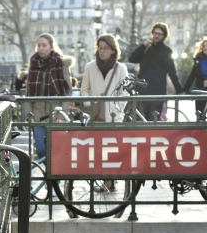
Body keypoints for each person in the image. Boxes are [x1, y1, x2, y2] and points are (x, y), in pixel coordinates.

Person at [81, 34, 128, 192]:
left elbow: (125, 92)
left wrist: (115, 107)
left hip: (114, 116)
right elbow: (84, 89)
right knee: (98, 149)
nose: (102, 51)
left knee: (112, 149)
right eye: (100, 48)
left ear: (113, 50)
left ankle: (110, 181)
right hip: (96, 115)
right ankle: (103, 179)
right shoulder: (90, 66)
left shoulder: (121, 68)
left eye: (106, 48)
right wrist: (91, 104)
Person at [25, 33, 73, 159]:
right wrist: (29, 115)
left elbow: (67, 92)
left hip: (56, 114)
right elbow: (28, 94)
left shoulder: (61, 64)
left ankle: (55, 179)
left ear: (52, 47)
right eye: (39, 45)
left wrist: (62, 115)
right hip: (38, 115)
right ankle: (49, 177)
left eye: (44, 45)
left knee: (56, 150)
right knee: (41, 150)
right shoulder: (33, 66)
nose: (41, 48)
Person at [128, 22, 184, 121]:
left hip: (158, 92)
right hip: (144, 90)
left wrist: (179, 90)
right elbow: (132, 59)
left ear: (164, 36)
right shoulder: (147, 48)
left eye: (159, 34)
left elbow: (172, 72)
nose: (156, 36)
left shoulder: (166, 51)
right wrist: (143, 46)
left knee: (153, 120)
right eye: (155, 33)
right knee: (144, 119)